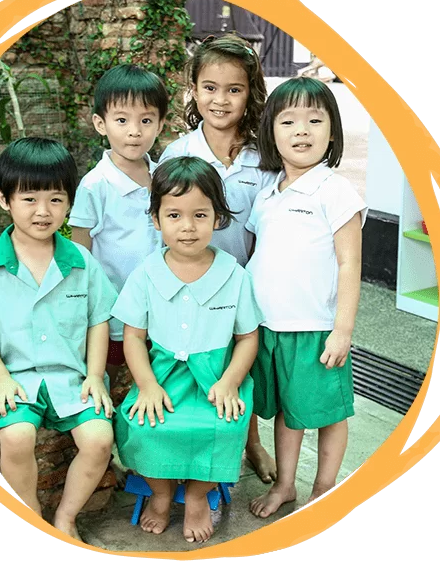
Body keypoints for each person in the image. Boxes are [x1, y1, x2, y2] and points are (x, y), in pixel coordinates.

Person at [0, 137, 118, 542]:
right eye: (29, 199)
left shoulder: (81, 262)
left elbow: (98, 321)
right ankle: (31, 513)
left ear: (69, 203)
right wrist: (0, 379)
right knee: (17, 435)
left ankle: (66, 518)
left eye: (56, 199)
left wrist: (95, 376)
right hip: (13, 379)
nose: (43, 211)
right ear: (4, 200)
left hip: (72, 381)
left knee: (99, 439)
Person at [112, 156, 264, 543]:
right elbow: (133, 337)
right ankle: (161, 494)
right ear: (156, 219)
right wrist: (147, 385)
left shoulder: (234, 275)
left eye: (200, 215)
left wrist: (230, 382)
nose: (188, 227)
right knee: (141, 426)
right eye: (174, 215)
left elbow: (248, 338)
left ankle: (198, 495)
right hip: (163, 375)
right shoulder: (145, 274)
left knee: (223, 426)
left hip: (216, 376)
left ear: (218, 218)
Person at [157, 32, 277, 485]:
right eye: (209, 88)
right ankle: (185, 451)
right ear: (193, 90)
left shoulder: (265, 157)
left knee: (245, 367)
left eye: (234, 89)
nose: (220, 100)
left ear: (251, 94)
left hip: (246, 286)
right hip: (190, 284)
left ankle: (251, 443)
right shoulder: (178, 154)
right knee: (194, 367)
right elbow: (163, 221)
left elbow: (269, 228)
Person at [245, 77, 368, 518]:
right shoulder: (266, 194)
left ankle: (323, 488)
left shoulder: (335, 191)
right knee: (287, 412)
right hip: (269, 327)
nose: (302, 130)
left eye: (315, 120)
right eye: (289, 121)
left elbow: (350, 264)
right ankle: (285, 485)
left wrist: (342, 330)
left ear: (332, 132)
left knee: (329, 413)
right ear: (271, 133)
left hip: (316, 329)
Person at [69, 63, 168, 391]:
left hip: (159, 305)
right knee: (107, 371)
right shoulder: (95, 185)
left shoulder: (164, 177)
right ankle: (101, 413)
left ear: (160, 123)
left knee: (156, 373)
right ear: (101, 123)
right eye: (122, 120)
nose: (134, 131)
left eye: (146, 120)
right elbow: (79, 252)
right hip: (112, 308)